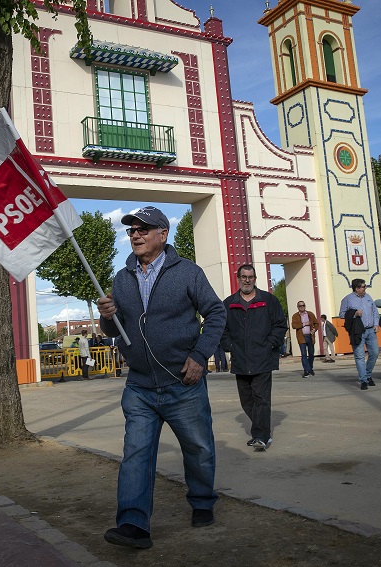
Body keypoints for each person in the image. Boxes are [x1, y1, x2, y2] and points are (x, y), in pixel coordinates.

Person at [97, 205, 225, 549]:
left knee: (198, 449)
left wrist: (200, 356)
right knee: (136, 453)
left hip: (182, 384)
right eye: (131, 231)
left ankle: (201, 501)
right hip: (139, 386)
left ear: (162, 234)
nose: (135, 236)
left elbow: (216, 313)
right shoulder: (122, 277)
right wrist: (107, 317)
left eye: (143, 230)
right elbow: (115, 329)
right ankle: (133, 525)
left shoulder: (188, 272)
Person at [221, 265, 288, 451]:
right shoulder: (228, 304)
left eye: (250, 277)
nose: (247, 280)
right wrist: (229, 345)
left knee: (261, 398)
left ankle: (261, 436)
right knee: (247, 400)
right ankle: (260, 429)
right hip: (240, 359)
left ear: (255, 278)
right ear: (238, 278)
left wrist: (270, 344)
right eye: (244, 277)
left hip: (263, 358)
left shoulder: (268, 301)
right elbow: (222, 328)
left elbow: (280, 325)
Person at [339, 279, 380, 390]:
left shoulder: (368, 297)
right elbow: (342, 315)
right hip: (357, 331)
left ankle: (367, 374)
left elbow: (375, 312)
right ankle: (363, 380)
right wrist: (354, 314)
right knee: (359, 356)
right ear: (357, 288)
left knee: (375, 353)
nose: (365, 289)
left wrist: (376, 324)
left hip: (371, 330)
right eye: (363, 287)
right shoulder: (347, 299)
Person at [291, 300, 319, 377]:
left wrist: (314, 329)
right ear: (298, 307)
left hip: (310, 336)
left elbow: (316, 323)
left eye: (303, 305)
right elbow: (294, 325)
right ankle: (306, 370)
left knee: (311, 354)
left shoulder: (310, 314)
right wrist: (303, 324)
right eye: (300, 306)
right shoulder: (295, 316)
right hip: (301, 337)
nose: (302, 307)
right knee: (303, 354)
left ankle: (310, 368)